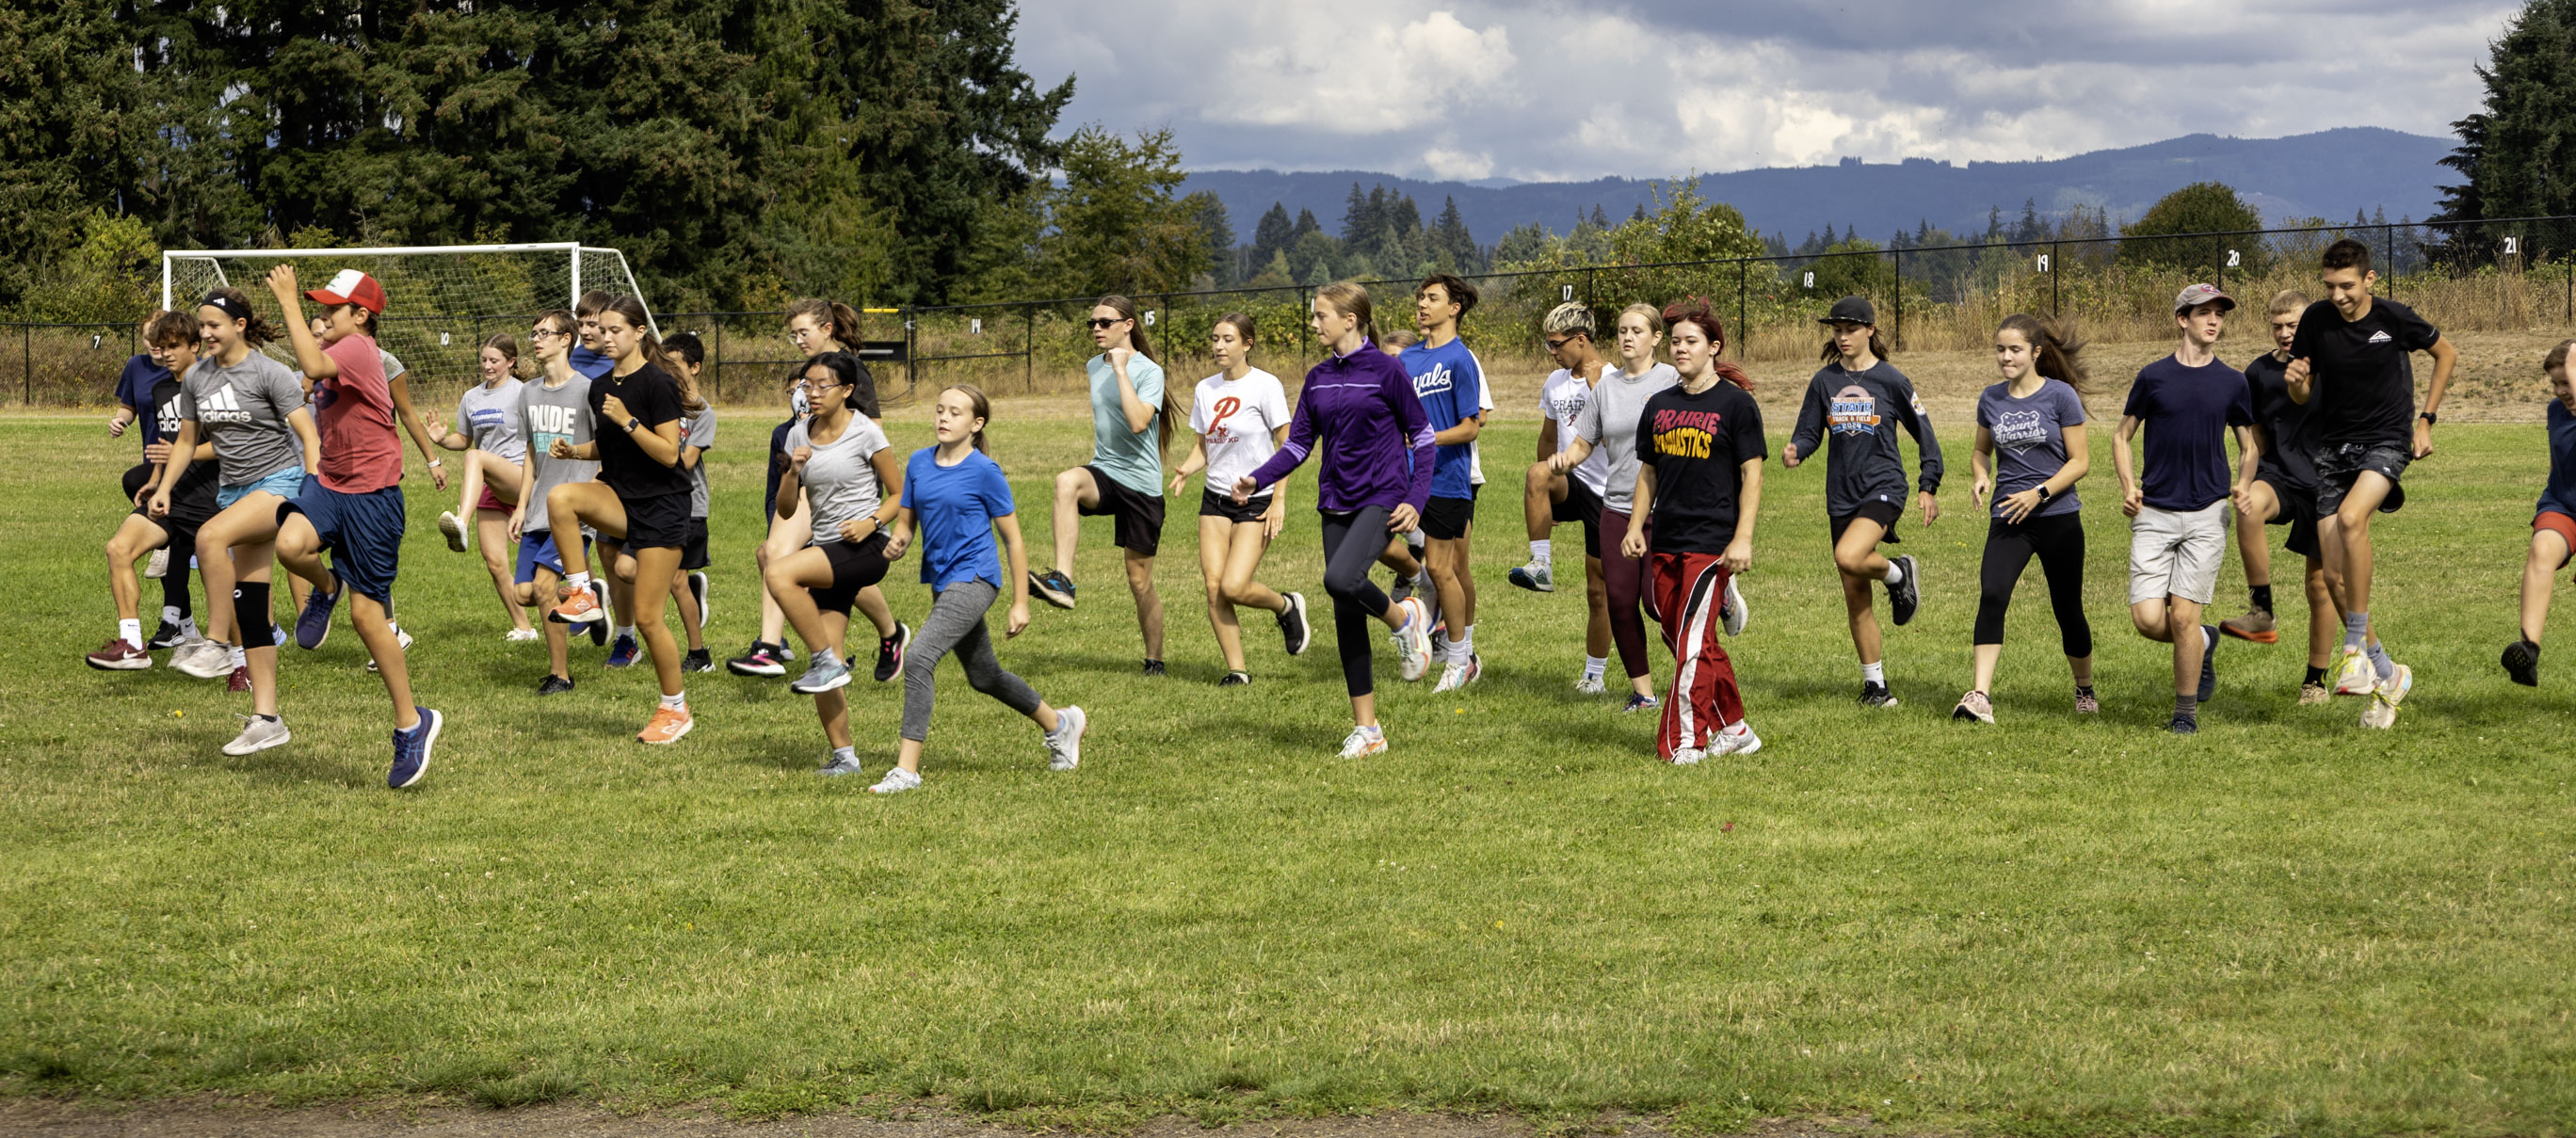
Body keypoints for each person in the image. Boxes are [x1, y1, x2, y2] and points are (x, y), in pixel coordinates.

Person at [260, 265, 444, 786]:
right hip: (332, 483)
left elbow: (313, 362)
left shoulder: (359, 349)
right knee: (290, 545)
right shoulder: (341, 352)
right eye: (319, 308)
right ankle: (326, 586)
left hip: (373, 499)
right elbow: (308, 377)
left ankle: (412, 723)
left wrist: (290, 302)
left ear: (361, 316)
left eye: (331, 309)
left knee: (368, 620)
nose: (323, 315)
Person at [1236, 281, 1438, 758]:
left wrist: (1415, 498)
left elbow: (1424, 438)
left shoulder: (1388, 372)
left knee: (1339, 579)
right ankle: (1368, 730)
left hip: (1381, 495)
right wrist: (1256, 479)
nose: (1313, 323)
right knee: (1346, 612)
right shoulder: (1317, 377)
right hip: (1335, 500)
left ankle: (1404, 619)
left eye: (1320, 315)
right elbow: (1299, 446)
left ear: (1350, 319)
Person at [872, 384, 1087, 794]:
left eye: (955, 412)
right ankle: (1061, 724)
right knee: (984, 675)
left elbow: (1013, 539)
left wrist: (1021, 602)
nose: (943, 418)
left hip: (976, 579)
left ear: (976, 423)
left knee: (918, 658)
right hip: (941, 580)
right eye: (939, 410)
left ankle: (906, 771)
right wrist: (899, 540)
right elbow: (907, 519)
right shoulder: (918, 462)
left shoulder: (985, 471)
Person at [2284, 238, 2455, 729]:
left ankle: (2354, 648)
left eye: (2346, 286)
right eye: (2329, 286)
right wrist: (2296, 381)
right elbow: (2302, 395)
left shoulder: (2395, 318)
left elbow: (2446, 354)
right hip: (2333, 449)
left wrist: (2426, 421)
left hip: (2385, 443)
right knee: (2332, 577)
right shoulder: (2315, 320)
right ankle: (2388, 672)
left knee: (2353, 519)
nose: (2337, 295)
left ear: (2369, 280)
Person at [540, 296, 700, 745]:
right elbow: (610, 449)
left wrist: (629, 420)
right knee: (562, 497)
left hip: (663, 508)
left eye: (614, 330)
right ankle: (582, 592)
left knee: (649, 619)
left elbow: (669, 454)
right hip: (619, 496)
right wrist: (575, 451)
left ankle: (675, 709)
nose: (605, 338)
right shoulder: (600, 386)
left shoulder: (657, 383)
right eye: (600, 330)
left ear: (638, 333)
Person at [157, 291, 321, 694]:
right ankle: (267, 715)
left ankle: (214, 643)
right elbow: (185, 443)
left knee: (210, 536)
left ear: (239, 326)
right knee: (251, 606)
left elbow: (308, 434)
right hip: (234, 491)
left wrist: (314, 487)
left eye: (214, 325)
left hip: (278, 483)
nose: (206, 333)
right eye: (203, 325)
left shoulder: (270, 373)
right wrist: (164, 487)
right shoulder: (198, 377)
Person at [2114, 284, 2259, 735]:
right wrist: (2129, 486)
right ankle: (2206, 641)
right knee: (2148, 620)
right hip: (2154, 512)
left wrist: (2244, 482)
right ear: (2182, 319)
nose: (2213, 321)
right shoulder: (2153, 377)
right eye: (2203, 313)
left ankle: (2185, 714)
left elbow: (2249, 444)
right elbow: (2122, 436)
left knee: (2182, 616)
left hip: (2207, 512)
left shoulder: (2233, 381)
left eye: (2219, 314)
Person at [735, 300, 907, 681]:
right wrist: (794, 466)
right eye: (792, 334)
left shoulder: (851, 371)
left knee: (785, 563)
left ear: (827, 328)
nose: (797, 340)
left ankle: (772, 647)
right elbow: (802, 428)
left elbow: (872, 431)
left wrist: (869, 515)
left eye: (803, 332)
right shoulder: (807, 388)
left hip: (847, 492)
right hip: (809, 477)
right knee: (778, 556)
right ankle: (781, 646)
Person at [1783, 296, 1940, 708]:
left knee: (1848, 555)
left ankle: (1898, 572)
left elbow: (1925, 433)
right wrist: (1797, 449)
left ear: (1871, 330)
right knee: (1856, 597)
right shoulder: (1824, 382)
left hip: (1883, 487)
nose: (1842, 337)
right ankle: (1876, 688)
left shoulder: (1892, 380)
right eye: (1837, 330)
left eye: (1851, 329)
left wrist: (1929, 483)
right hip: (1841, 494)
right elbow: (1810, 432)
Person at [1626, 297, 1764, 761]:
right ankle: (1737, 728)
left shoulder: (1736, 405)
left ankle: (1687, 741)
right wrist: (1634, 525)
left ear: (1713, 347)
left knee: (1688, 646)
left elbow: (1752, 475)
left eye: (1692, 341)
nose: (1681, 349)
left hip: (1713, 542)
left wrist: (1742, 538)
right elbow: (1647, 472)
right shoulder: (1659, 405)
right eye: (1678, 342)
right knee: (1683, 637)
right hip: (1666, 537)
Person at [2223, 291, 2374, 704]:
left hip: (2330, 485)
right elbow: (2255, 440)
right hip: (2281, 476)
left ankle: (2315, 681)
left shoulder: (2335, 364)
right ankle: (2262, 609)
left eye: (2294, 325)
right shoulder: (2257, 372)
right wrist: (2245, 478)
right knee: (2249, 503)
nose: (2286, 333)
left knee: (2320, 585)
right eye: (2278, 326)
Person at [765, 352, 906, 776]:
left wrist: (871, 522)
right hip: (829, 551)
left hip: (866, 547)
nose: (812, 392)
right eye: (806, 385)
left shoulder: (866, 434)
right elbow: (787, 511)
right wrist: (793, 472)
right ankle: (845, 757)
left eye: (822, 385)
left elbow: (900, 495)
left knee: (778, 571)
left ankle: (823, 657)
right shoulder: (797, 436)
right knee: (827, 675)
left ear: (847, 390)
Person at [1955, 313, 2098, 723]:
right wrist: (1981, 476)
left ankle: (2084, 687)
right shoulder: (1991, 398)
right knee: (1993, 593)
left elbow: (2080, 462)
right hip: (2008, 517)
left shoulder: (2061, 397)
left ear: (2036, 352)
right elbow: (1981, 451)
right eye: (2000, 349)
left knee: (2067, 608)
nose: (2006, 357)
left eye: (2015, 349)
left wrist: (2039, 494)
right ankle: (1980, 695)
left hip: (2057, 516)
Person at [1028, 296, 1180, 675]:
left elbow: (1138, 422)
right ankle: (1063, 579)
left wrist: (1122, 371)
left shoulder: (1149, 371)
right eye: (1092, 323)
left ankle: (1155, 660)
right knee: (1067, 482)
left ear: (1128, 325)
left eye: (1105, 322)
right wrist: (1110, 367)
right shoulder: (1092, 366)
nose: (1096, 328)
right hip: (1106, 472)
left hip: (1142, 487)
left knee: (1139, 581)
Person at [1547, 303, 1677, 711]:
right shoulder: (1605, 387)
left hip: (1667, 508)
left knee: (1657, 604)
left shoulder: (1672, 380)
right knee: (1619, 602)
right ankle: (1644, 694)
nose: (1627, 338)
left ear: (1656, 338)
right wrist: (1565, 460)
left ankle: (1698, 672)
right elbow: (1585, 440)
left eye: (1637, 331)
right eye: (1622, 330)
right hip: (1617, 506)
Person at [1167, 312, 1309, 685]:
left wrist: (1279, 498)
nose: (1218, 346)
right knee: (1214, 587)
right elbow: (1204, 448)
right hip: (1214, 498)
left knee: (1234, 585)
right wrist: (1186, 468)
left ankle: (1286, 605)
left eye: (1228, 339)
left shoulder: (1266, 386)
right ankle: (1238, 671)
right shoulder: (1204, 389)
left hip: (1257, 499)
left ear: (1247, 344)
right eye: (1215, 339)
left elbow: (1289, 445)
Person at [89, 313, 212, 670]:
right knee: (118, 549)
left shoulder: (212, 385)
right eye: (161, 346)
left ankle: (238, 663)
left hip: (211, 499)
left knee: (223, 588)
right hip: (171, 495)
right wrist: (157, 476)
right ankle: (131, 645)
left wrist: (179, 456)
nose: (166, 353)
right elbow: (166, 441)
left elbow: (225, 446)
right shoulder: (161, 389)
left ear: (195, 346)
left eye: (174, 346)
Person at [1513, 302, 1619, 694]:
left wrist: (1596, 390)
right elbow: (1547, 438)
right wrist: (1544, 497)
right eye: (1547, 344)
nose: (1551, 351)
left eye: (1556, 344)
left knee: (1599, 591)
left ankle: (1594, 676)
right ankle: (1541, 564)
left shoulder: (1614, 378)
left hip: (1610, 494)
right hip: (1570, 482)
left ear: (1581, 339)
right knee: (1537, 472)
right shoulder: (1554, 382)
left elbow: (1620, 438)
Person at [508, 309, 605, 695]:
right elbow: (532, 453)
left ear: (566, 339)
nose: (536, 339)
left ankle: (561, 676)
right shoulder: (528, 392)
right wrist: (520, 506)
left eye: (545, 332)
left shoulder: (588, 389)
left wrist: (594, 490)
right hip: (537, 510)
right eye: (534, 332)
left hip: (574, 511)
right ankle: (589, 596)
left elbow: (606, 449)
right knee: (523, 593)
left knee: (546, 587)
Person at [1400, 274, 1488, 692]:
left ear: (1453, 308)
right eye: (1420, 297)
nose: (1421, 304)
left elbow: (1471, 427)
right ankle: (1407, 618)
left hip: (1447, 478)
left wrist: (1425, 438)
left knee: (1440, 567)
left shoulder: (1459, 359)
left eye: (1431, 298)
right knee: (1366, 541)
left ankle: (1459, 660)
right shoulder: (1407, 360)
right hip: (1402, 477)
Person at [427, 333, 537, 639]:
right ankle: (524, 627)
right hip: (490, 483)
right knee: (495, 562)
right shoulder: (472, 397)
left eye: (494, 361)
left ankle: (462, 520)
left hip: (520, 476)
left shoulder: (524, 393)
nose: (487, 366)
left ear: (511, 362)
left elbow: (536, 440)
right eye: (484, 360)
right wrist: (442, 440)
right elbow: (465, 441)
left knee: (477, 457)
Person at [2502, 338, 2576, 686]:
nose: (2562, 390)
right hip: (2563, 503)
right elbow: (2558, 463)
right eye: (2556, 383)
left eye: (2568, 381)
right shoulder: (2555, 411)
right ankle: (2528, 651)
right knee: (2541, 550)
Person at [663, 331, 717, 673]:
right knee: (626, 569)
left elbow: (684, 461)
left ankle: (698, 656)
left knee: (674, 580)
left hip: (689, 506)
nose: (668, 371)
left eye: (675, 365)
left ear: (694, 368)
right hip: (655, 502)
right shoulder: (661, 402)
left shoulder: (702, 413)